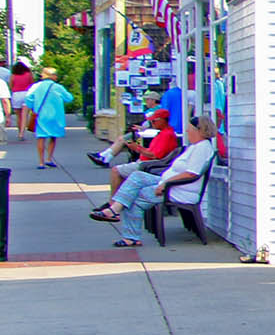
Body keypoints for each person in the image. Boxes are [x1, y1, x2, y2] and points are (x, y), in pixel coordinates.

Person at [92, 116, 216, 245]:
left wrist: (165, 184)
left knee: (135, 196)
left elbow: (191, 174)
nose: (186, 131)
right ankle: (115, 209)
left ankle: (130, 236)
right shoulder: (196, 146)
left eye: (189, 129)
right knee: (137, 176)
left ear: (199, 130)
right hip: (169, 184)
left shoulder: (202, 148)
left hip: (177, 189)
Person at [102, 109, 179, 192]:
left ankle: (112, 201)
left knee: (115, 171)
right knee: (122, 173)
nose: (152, 123)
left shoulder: (166, 135)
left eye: (154, 121)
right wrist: (137, 147)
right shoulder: (163, 133)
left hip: (149, 164)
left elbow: (155, 155)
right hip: (147, 162)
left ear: (162, 120)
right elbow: (152, 151)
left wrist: (137, 148)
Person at [23, 66, 73, 168]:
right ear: (53, 76)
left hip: (41, 115)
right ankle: (49, 158)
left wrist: (34, 107)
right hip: (55, 116)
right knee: (53, 137)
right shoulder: (58, 87)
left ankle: (41, 162)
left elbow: (28, 99)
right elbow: (69, 98)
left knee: (41, 138)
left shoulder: (37, 86)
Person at [8, 62, 33, 139]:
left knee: (18, 116)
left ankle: (19, 131)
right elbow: (32, 84)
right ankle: (22, 133)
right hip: (26, 94)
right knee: (25, 115)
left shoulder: (13, 76)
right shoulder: (29, 74)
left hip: (16, 95)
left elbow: (11, 86)